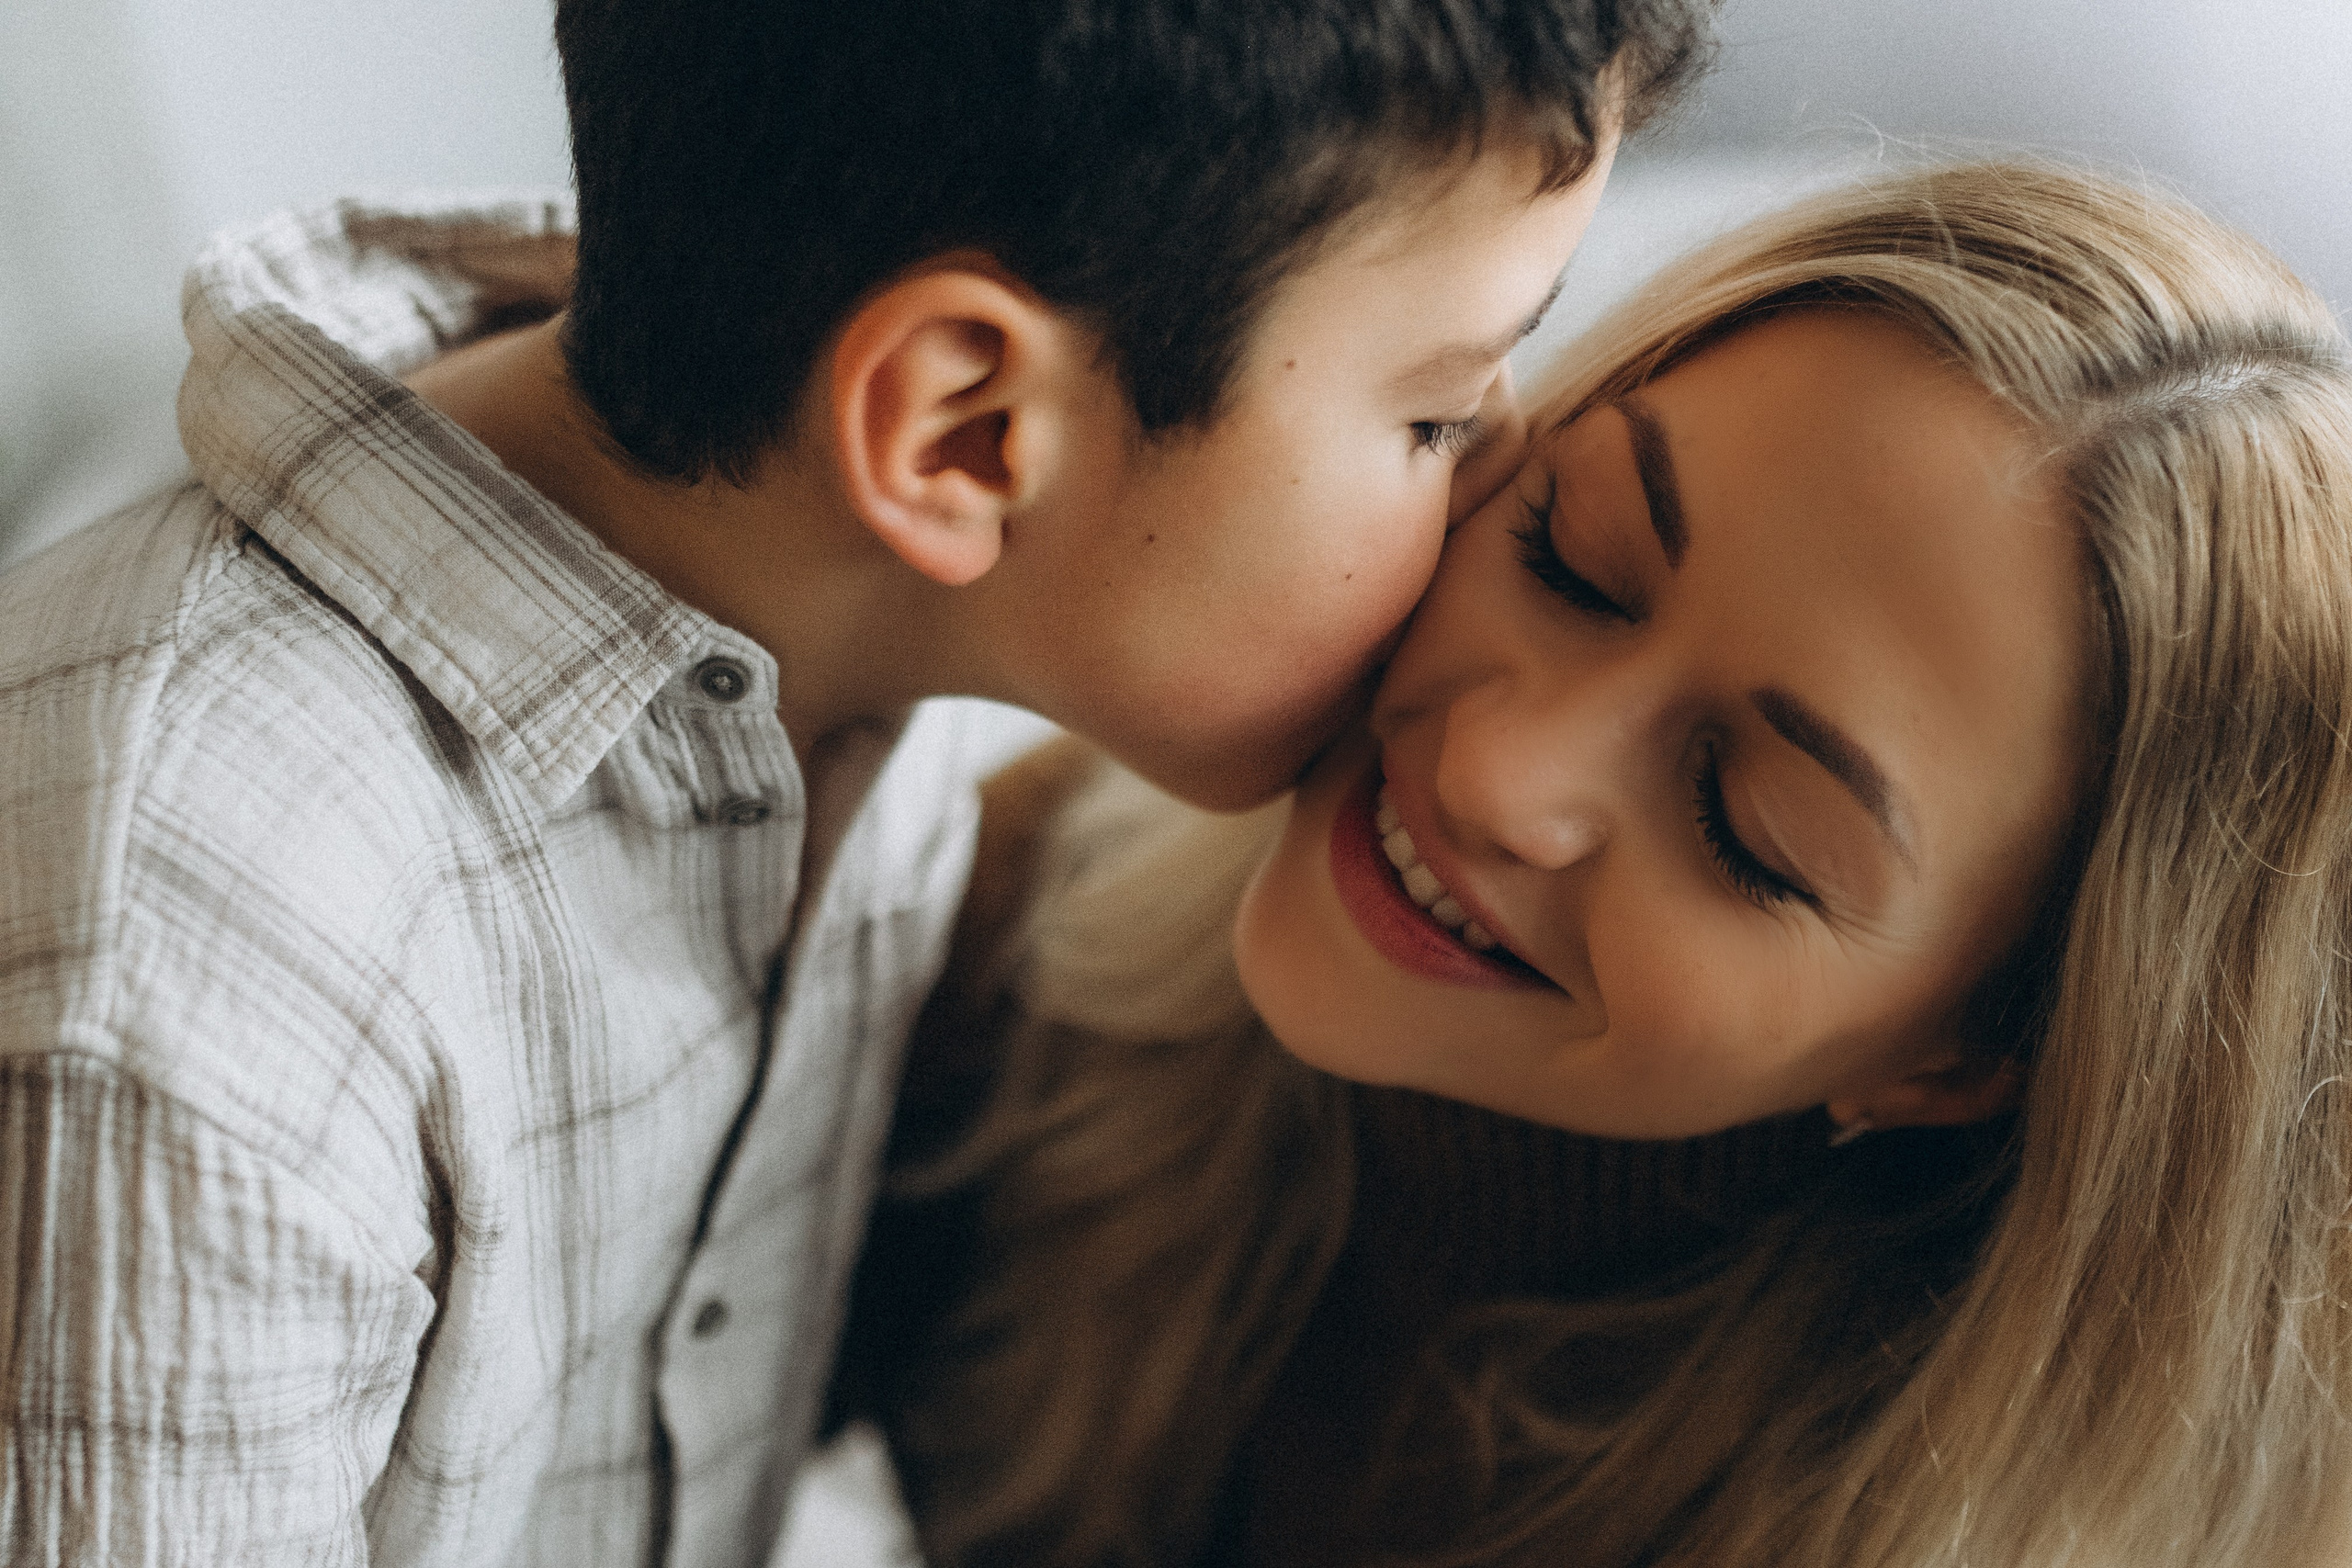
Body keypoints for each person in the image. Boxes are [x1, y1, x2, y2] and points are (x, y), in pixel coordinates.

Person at [0, 4, 1715, 1563]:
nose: (1502, 466)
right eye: (1436, 415)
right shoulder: (199, 998)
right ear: (963, 434)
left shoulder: (872, 657)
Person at [844, 161, 2352, 1567]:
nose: (1500, 773)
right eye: (1570, 557)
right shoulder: (1008, 898)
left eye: (1747, 829)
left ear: (1967, 1059)